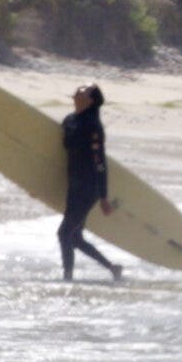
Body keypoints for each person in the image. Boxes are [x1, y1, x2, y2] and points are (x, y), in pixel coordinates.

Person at [59, 84, 123, 283]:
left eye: (84, 90)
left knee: (64, 233)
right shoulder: (69, 120)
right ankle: (113, 268)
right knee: (75, 237)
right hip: (74, 183)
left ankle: (67, 279)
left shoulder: (93, 125)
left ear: (91, 100)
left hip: (88, 187)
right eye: (78, 88)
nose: (79, 90)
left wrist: (103, 196)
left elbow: (100, 161)